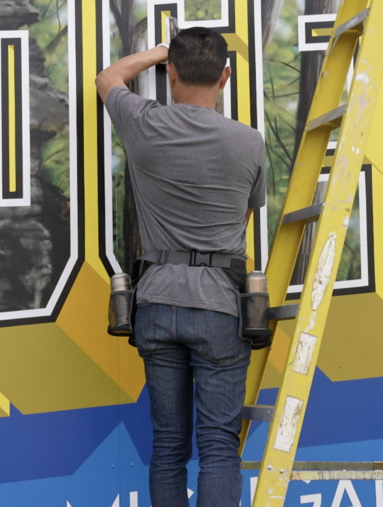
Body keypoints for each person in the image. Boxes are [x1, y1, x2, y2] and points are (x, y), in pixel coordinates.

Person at [96, 27, 266, 507]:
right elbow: (244, 219)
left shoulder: (145, 124)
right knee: (218, 447)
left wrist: (156, 51)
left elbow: (108, 78)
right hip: (219, 307)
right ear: (225, 77)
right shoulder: (248, 142)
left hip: (156, 304)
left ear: (170, 74)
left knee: (168, 447)